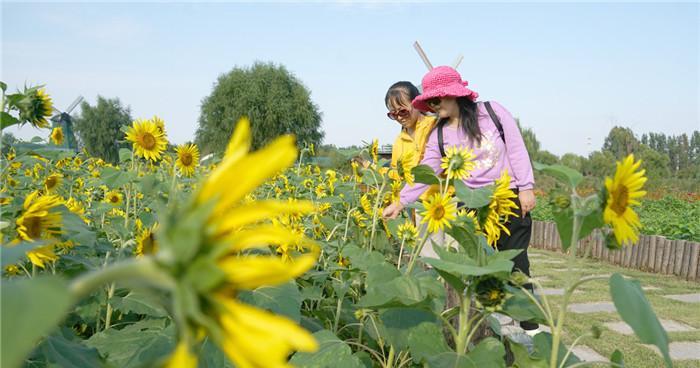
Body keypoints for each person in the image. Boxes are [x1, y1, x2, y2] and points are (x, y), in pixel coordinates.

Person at [382, 66, 539, 334]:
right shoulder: (439, 134)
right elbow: (426, 172)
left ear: (453, 94)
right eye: (429, 101)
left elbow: (515, 147)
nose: (432, 105)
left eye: (436, 99)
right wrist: (400, 202)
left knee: (515, 263)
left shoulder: (492, 112)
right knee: (478, 267)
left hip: (507, 197)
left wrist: (526, 186)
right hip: (470, 207)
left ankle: (530, 326)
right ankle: (494, 328)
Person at [385, 81, 436, 170]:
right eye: (393, 114)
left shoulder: (434, 126)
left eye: (403, 111)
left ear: (416, 103)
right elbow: (394, 174)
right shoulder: (399, 141)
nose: (399, 118)